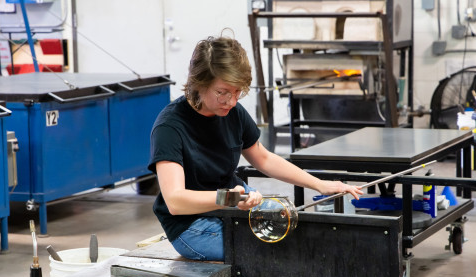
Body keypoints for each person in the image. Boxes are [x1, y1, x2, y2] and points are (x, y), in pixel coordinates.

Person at [148, 30, 363, 261]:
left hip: (232, 203)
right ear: (198, 83)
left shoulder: (232, 112)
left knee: (289, 230)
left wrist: (319, 184)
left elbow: (264, 158)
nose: (230, 101)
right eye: (222, 92)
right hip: (190, 224)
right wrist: (229, 199)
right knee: (267, 251)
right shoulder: (170, 127)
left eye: (237, 92)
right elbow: (176, 201)